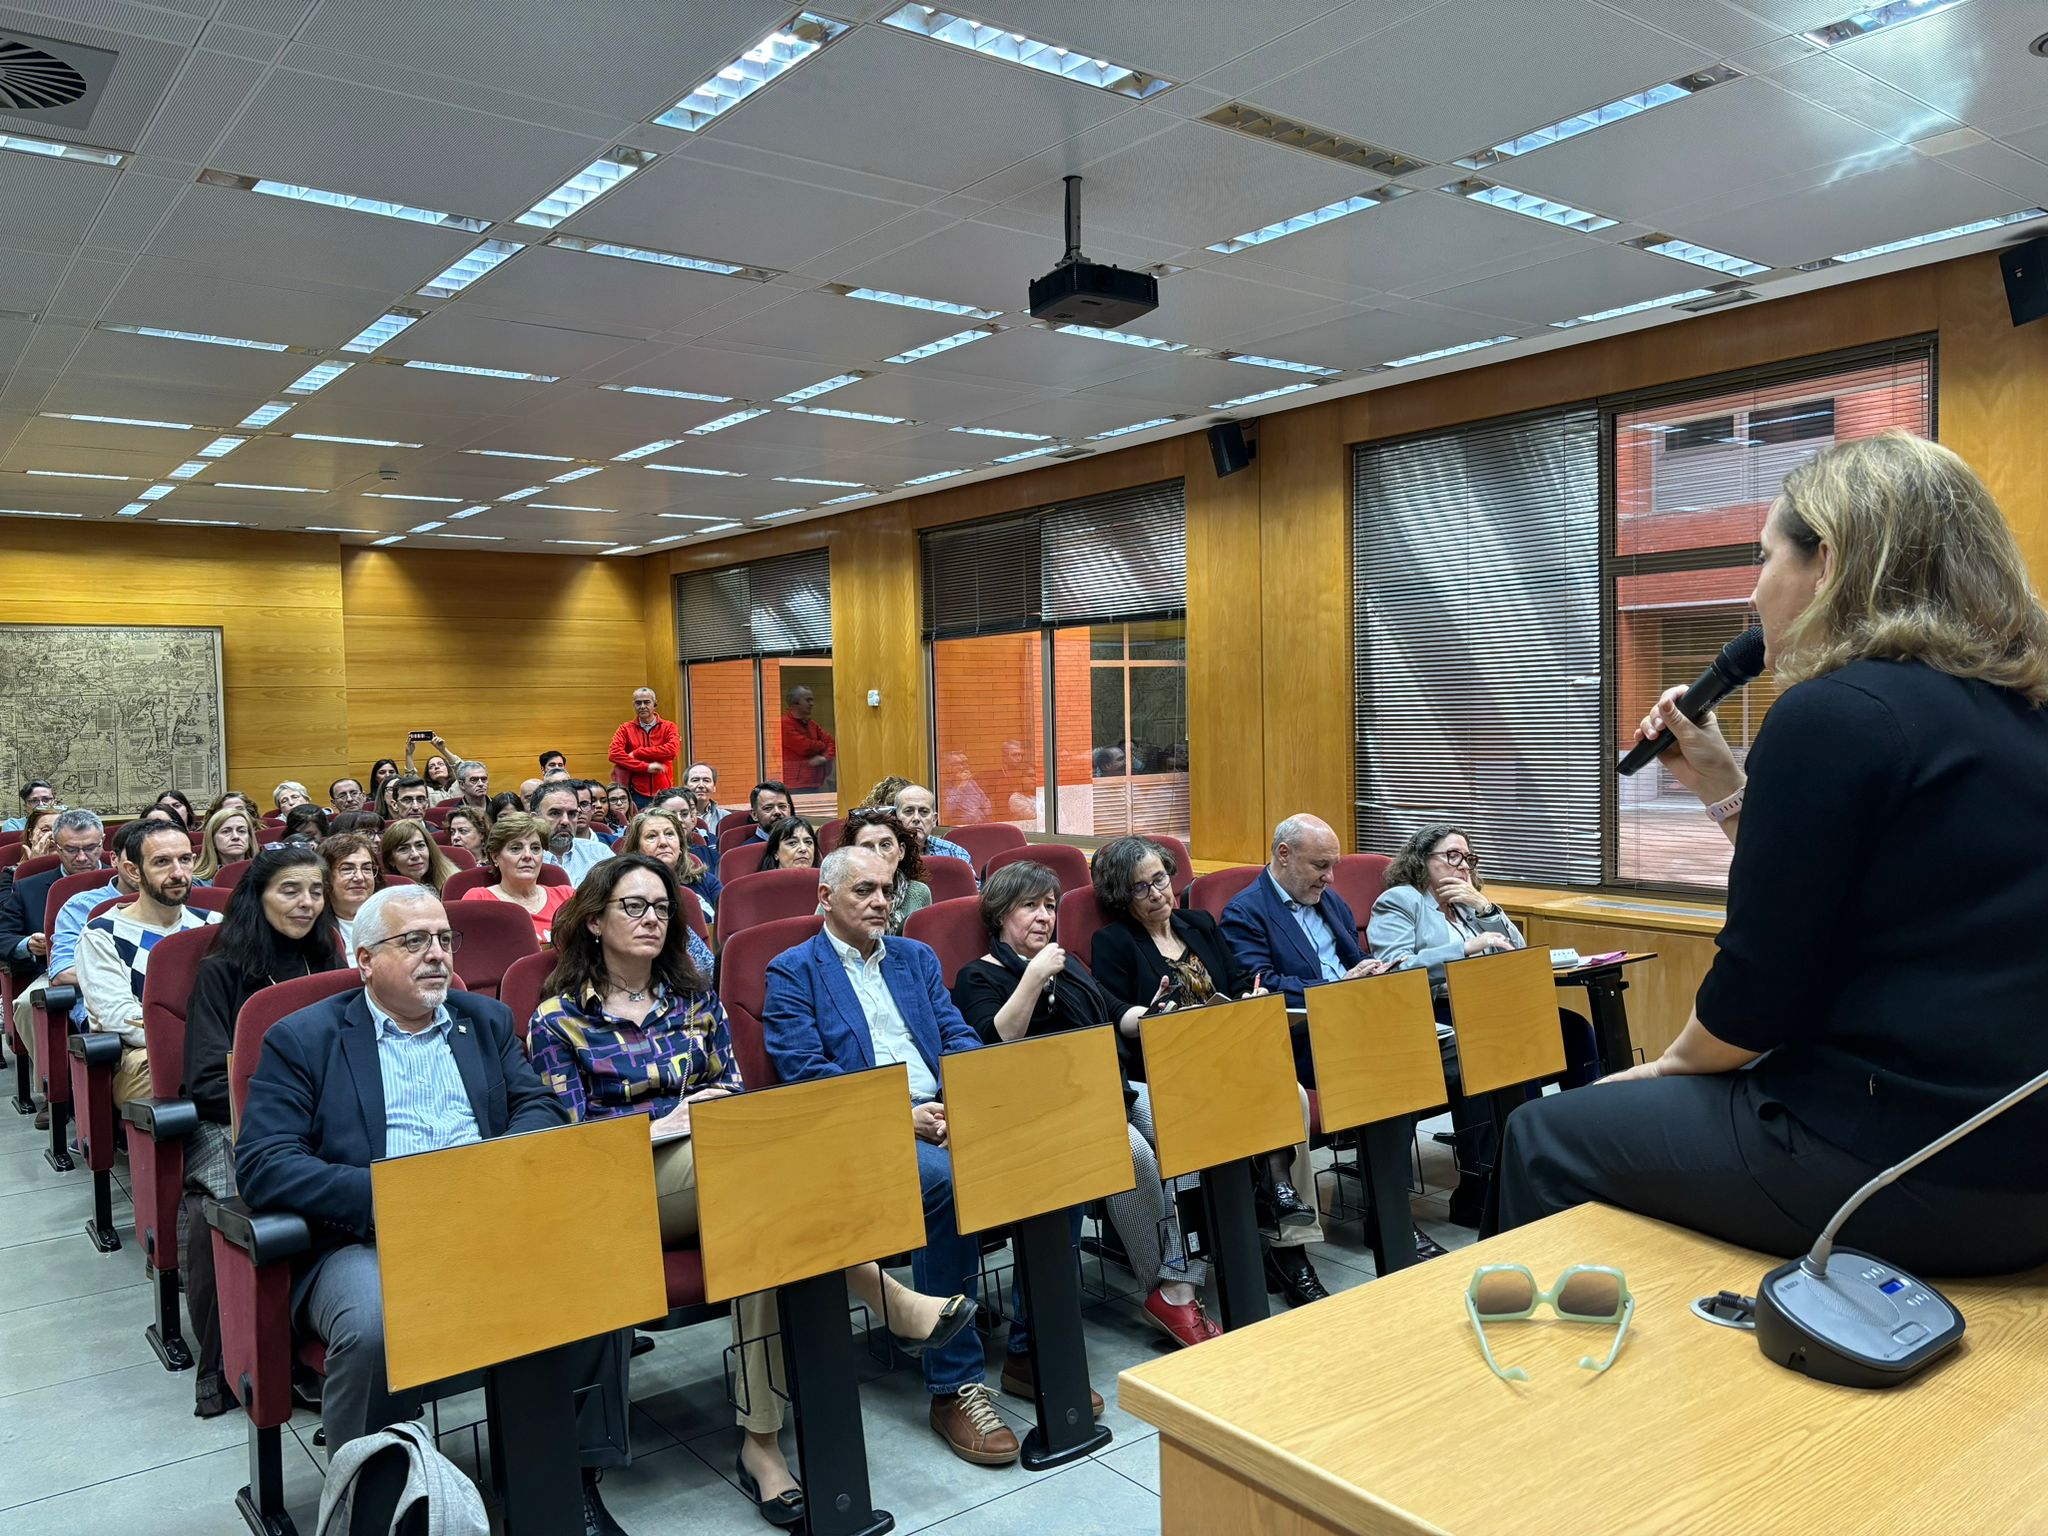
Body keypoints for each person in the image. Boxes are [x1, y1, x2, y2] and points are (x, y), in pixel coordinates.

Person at [1495, 433, 2048, 1275]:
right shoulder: (2022, 717)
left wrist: (1667, 1070)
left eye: (1762, 559)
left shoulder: (1834, 711)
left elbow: (1760, 994)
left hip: (1896, 1170)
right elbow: (1855, 893)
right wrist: (1724, 781)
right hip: (2023, 1174)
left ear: (1826, 561)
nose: (1753, 593)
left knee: (1545, 1132)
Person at [529, 855, 972, 1524]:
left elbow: (734, 1090)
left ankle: (761, 1445)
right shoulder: (557, 1020)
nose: (652, 919)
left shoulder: (694, 1001)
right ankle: (886, 1294)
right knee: (758, 1180)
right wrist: (659, 1123)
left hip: (722, 1176)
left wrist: (711, 1115)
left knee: (757, 1219)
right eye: (633, 907)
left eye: (661, 908)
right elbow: (566, 1139)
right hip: (618, 1188)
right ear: (593, 921)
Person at [234, 887, 634, 1532]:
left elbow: (536, 1107)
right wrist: (399, 1197)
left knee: (595, 1275)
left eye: (444, 940)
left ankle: (568, 1482)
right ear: (363, 959)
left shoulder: (484, 1021)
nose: (436, 955)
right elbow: (264, 1163)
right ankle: (370, 1507)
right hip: (363, 1236)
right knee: (375, 1324)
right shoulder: (302, 1038)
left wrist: (489, 1168)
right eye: (413, 942)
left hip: (486, 1216)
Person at [762, 847, 1018, 1467]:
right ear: (825, 898)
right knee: (946, 1185)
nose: (882, 902)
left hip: (941, 1111)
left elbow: (955, 1034)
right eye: (865, 891)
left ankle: (1036, 1353)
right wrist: (898, 1117)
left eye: (889, 891)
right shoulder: (792, 971)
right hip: (862, 1131)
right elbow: (807, 1075)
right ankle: (952, 1385)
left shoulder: (915, 957)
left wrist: (962, 1101)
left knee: (1046, 1161)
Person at [952, 860, 1219, 1351]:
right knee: (1134, 1157)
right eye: (1028, 906)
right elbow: (992, 1044)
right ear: (998, 915)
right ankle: (1159, 1291)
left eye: (1049, 907)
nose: (1042, 917)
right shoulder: (978, 977)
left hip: (1113, 1089)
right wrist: (1032, 977)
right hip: (1052, 1108)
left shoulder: (1066, 963)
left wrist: (1153, 1009)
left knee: (1189, 1128)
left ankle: (1182, 1280)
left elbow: (1107, 1012)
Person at [1089, 835, 1336, 1304]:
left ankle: (1288, 1235)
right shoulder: (1113, 940)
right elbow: (1112, 1009)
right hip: (1168, 1067)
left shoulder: (1199, 923)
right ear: (1123, 897)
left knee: (1294, 1095)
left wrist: (1251, 998)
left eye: (1160, 879)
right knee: (1250, 1102)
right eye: (1141, 888)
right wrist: (1149, 1015)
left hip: (1228, 1055)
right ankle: (1277, 1210)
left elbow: (1241, 981)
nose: (1157, 893)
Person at [1220, 815, 1452, 1264]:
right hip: (1304, 1041)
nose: (1330, 877)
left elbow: (1357, 960)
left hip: (1356, 1024)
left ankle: (1390, 1213)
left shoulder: (1332, 902)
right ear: (1283, 855)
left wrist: (1372, 973)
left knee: (1426, 1057)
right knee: (1394, 1075)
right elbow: (1260, 985)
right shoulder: (1246, 911)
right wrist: (1337, 988)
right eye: (1320, 866)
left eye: (1333, 866)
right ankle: (1390, 1220)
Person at [181, 846, 343, 1417]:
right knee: (225, 1208)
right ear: (258, 896)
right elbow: (204, 1077)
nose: (306, 903)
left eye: (315, 891)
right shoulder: (223, 969)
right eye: (290, 890)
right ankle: (225, 1363)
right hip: (233, 1116)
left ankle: (320, 1346)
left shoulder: (330, 962)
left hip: (324, 1115)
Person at [1368, 825, 1600, 1224]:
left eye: (1469, 859)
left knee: (1574, 1031)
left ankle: (1585, 1149)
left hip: (1491, 1006)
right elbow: (1395, 969)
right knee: (1504, 1049)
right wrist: (1463, 948)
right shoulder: (1400, 901)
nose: (1463, 866)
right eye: (1452, 856)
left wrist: (1486, 909)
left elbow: (1518, 954)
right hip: (1437, 1010)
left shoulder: (1469, 905)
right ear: (1421, 862)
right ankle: (1491, 1182)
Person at [77, 820, 221, 1108]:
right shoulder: (102, 933)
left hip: (215, 1050)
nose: (178, 873)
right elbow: (118, 1015)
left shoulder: (215, 924)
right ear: (133, 871)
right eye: (162, 863)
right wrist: (203, 1039)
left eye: (185, 860)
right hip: (144, 1055)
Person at [8, 813, 121, 1124]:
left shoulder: (123, 880)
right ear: (56, 846)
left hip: (112, 968)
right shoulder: (29, 886)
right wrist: (26, 945)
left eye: (91, 848)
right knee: (29, 1004)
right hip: (51, 968)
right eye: (72, 849)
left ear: (103, 845)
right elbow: (3, 934)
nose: (83, 857)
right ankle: (52, 1091)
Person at [459, 810, 571, 942]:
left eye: (535, 848)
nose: (528, 856)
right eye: (516, 848)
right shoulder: (478, 899)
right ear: (495, 857)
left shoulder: (567, 896)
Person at [836, 808, 931, 936]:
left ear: (901, 851)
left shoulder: (919, 893)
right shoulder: (837, 895)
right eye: (867, 847)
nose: (878, 854)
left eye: (885, 845)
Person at [617, 808, 719, 924]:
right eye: (651, 836)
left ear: (680, 846)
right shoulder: (625, 890)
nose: (663, 842)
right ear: (636, 850)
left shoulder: (706, 881)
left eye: (669, 834)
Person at [609, 687, 681, 808]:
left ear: (654, 703)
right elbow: (614, 754)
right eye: (638, 703)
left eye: (646, 702)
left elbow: (672, 751)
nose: (642, 706)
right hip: (636, 792)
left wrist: (638, 752)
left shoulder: (669, 727)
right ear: (633, 705)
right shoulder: (625, 728)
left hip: (664, 791)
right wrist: (646, 767)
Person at [531, 781, 611, 887]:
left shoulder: (600, 853)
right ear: (535, 818)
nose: (565, 821)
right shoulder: (524, 860)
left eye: (572, 814)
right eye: (555, 813)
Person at [320, 833, 380, 951]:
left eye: (367, 869)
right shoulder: (312, 928)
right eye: (347, 869)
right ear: (326, 876)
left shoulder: (392, 917)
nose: (360, 877)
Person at [893, 784, 974, 868]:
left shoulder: (955, 854)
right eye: (908, 811)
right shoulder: (883, 853)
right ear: (895, 817)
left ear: (934, 820)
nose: (916, 818)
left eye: (924, 812)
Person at [778, 686, 835, 793]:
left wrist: (824, 758)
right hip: (795, 784)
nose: (812, 703)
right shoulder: (785, 723)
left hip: (815, 781)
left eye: (812, 700)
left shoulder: (811, 723)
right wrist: (822, 745)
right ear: (795, 703)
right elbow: (805, 747)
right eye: (808, 700)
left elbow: (831, 742)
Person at [381, 820, 457, 894]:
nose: (415, 855)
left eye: (420, 845)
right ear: (391, 860)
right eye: (403, 849)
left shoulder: (452, 883)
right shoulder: (385, 897)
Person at [938, 751, 990, 826]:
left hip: (980, 825)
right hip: (958, 828)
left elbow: (986, 803)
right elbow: (946, 812)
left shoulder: (971, 783)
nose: (965, 766)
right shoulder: (941, 785)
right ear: (948, 767)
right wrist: (959, 786)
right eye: (960, 764)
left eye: (966, 763)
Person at [680, 764, 727, 842]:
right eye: (695, 780)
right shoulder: (675, 817)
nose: (701, 785)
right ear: (685, 787)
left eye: (706, 780)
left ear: (714, 787)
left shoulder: (726, 818)